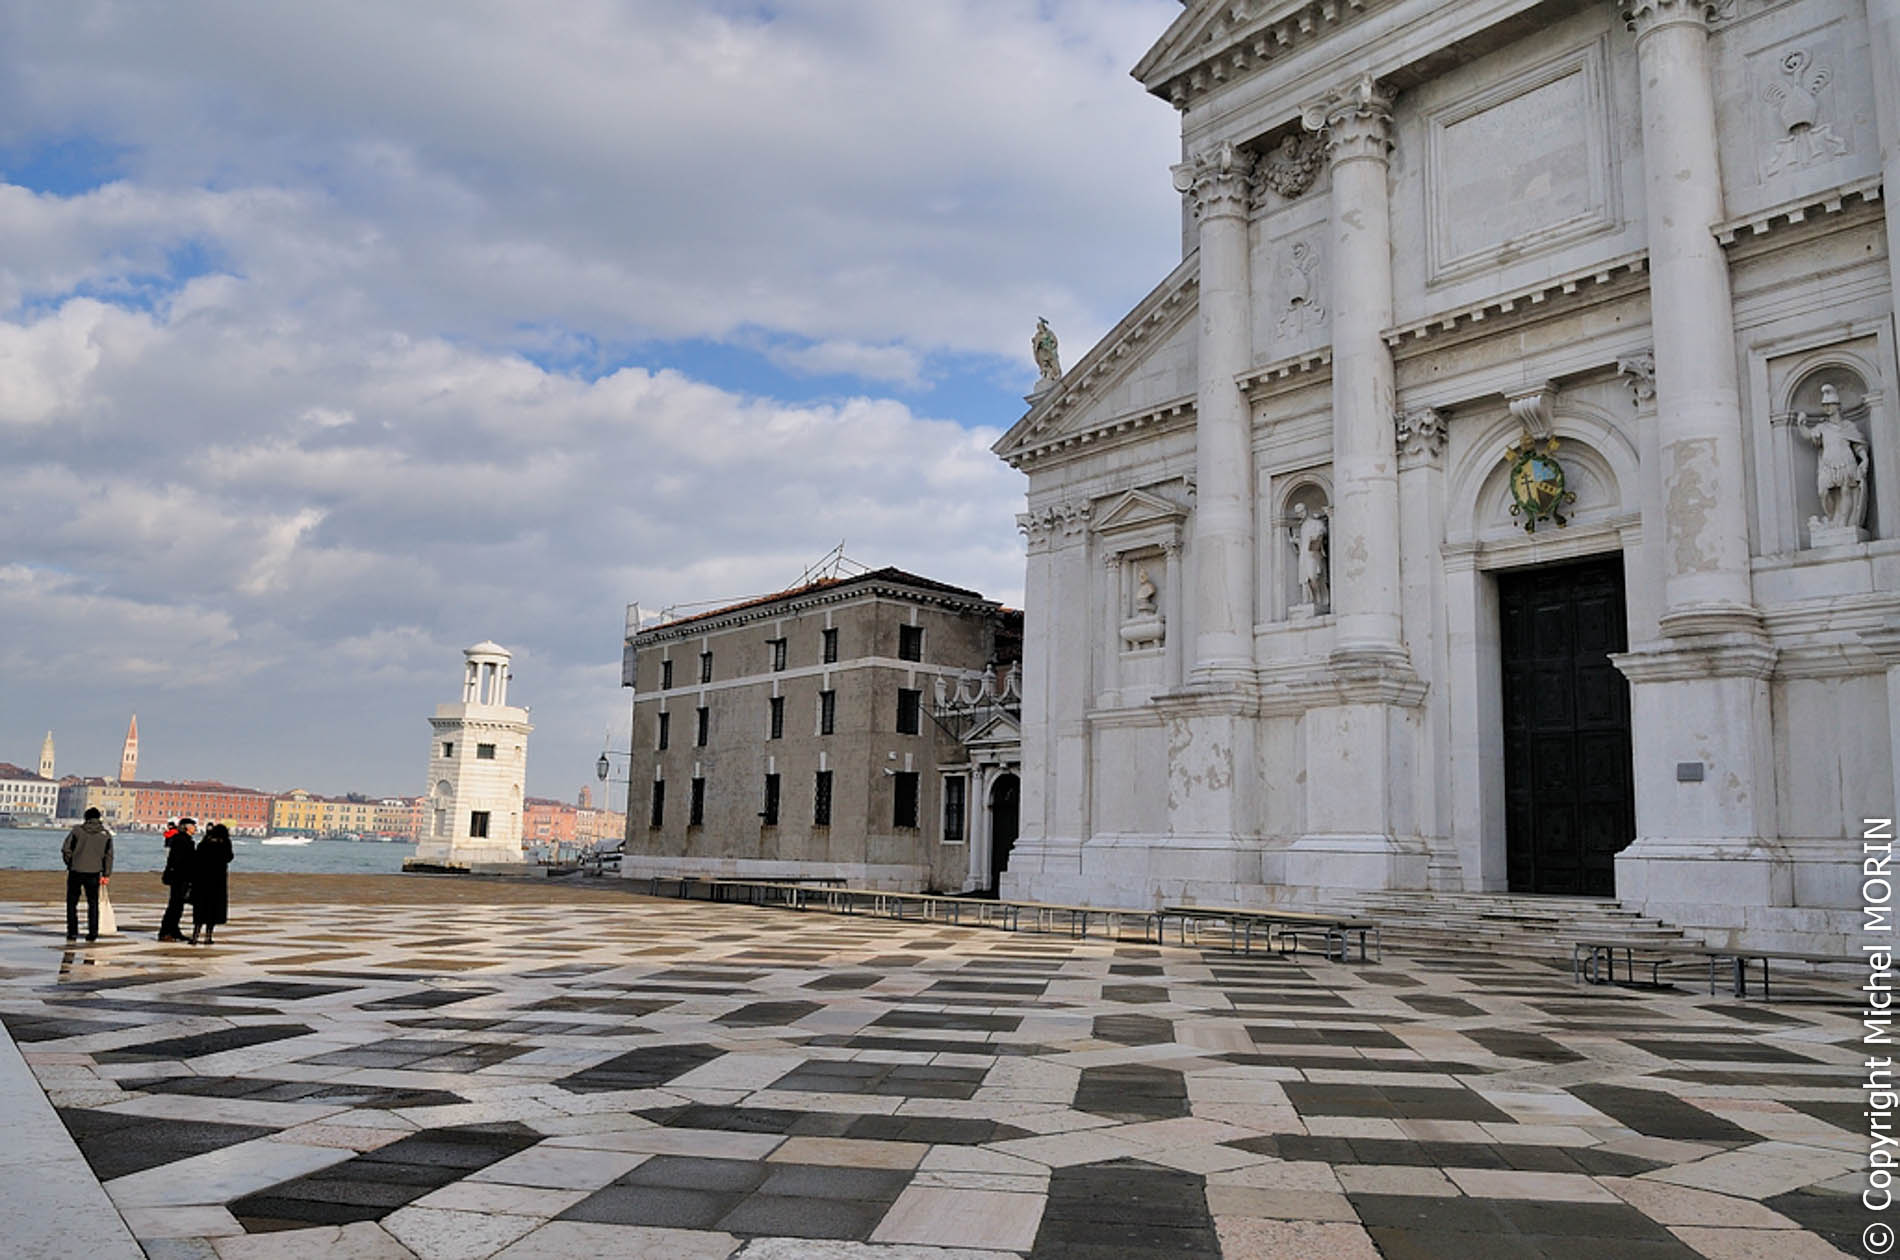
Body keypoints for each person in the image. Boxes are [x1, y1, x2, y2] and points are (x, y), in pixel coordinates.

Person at [60, 808, 114, 942]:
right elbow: (109, 856)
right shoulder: (105, 834)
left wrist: (71, 863)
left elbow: (66, 849)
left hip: (76, 871)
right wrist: (106, 874)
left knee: (72, 903)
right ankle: (93, 932)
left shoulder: (77, 831)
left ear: (85, 818)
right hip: (94, 873)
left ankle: (72, 932)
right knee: (93, 903)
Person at [190, 823, 233, 945]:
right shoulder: (225, 843)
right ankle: (208, 937)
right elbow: (229, 857)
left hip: (202, 879)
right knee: (213, 910)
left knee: (200, 909)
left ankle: (195, 936)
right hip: (217, 881)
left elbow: (196, 857)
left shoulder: (205, 842)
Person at [158, 817, 198, 942]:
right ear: (186, 827)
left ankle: (174, 930)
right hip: (179, 877)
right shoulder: (181, 840)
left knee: (178, 906)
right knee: (175, 906)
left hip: (181, 876)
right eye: (193, 826)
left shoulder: (185, 840)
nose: (195, 828)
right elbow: (179, 860)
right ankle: (165, 932)